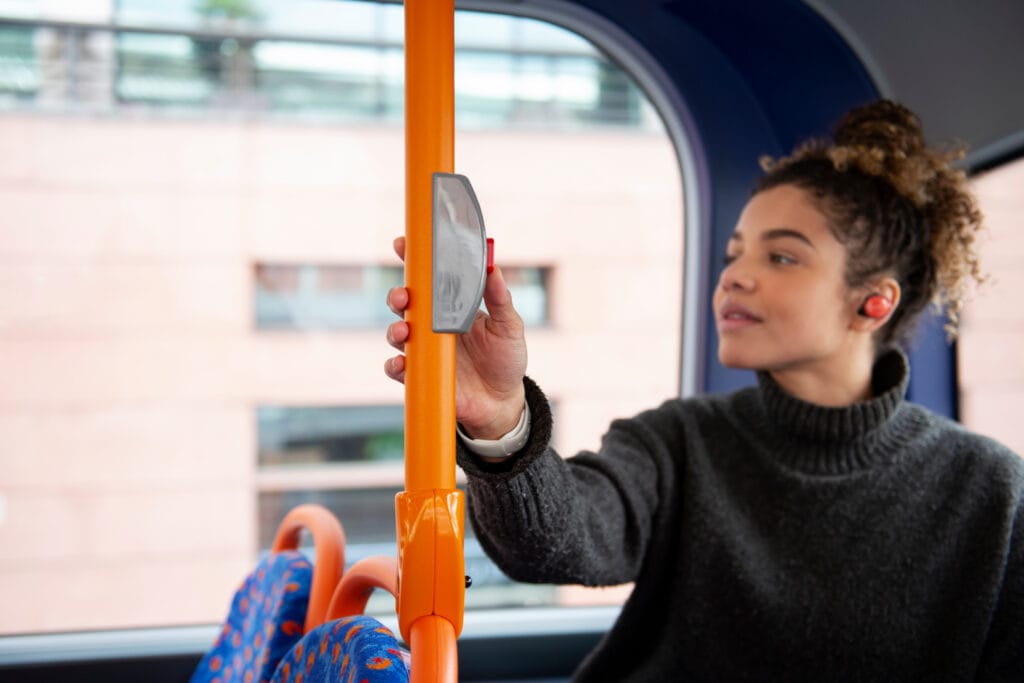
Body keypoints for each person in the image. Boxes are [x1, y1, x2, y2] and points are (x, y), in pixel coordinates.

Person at [384, 100, 1023, 680]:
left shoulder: (992, 496)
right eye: (732, 256)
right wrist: (501, 419)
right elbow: (557, 542)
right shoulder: (681, 441)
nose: (734, 279)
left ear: (874, 303)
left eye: (781, 257)